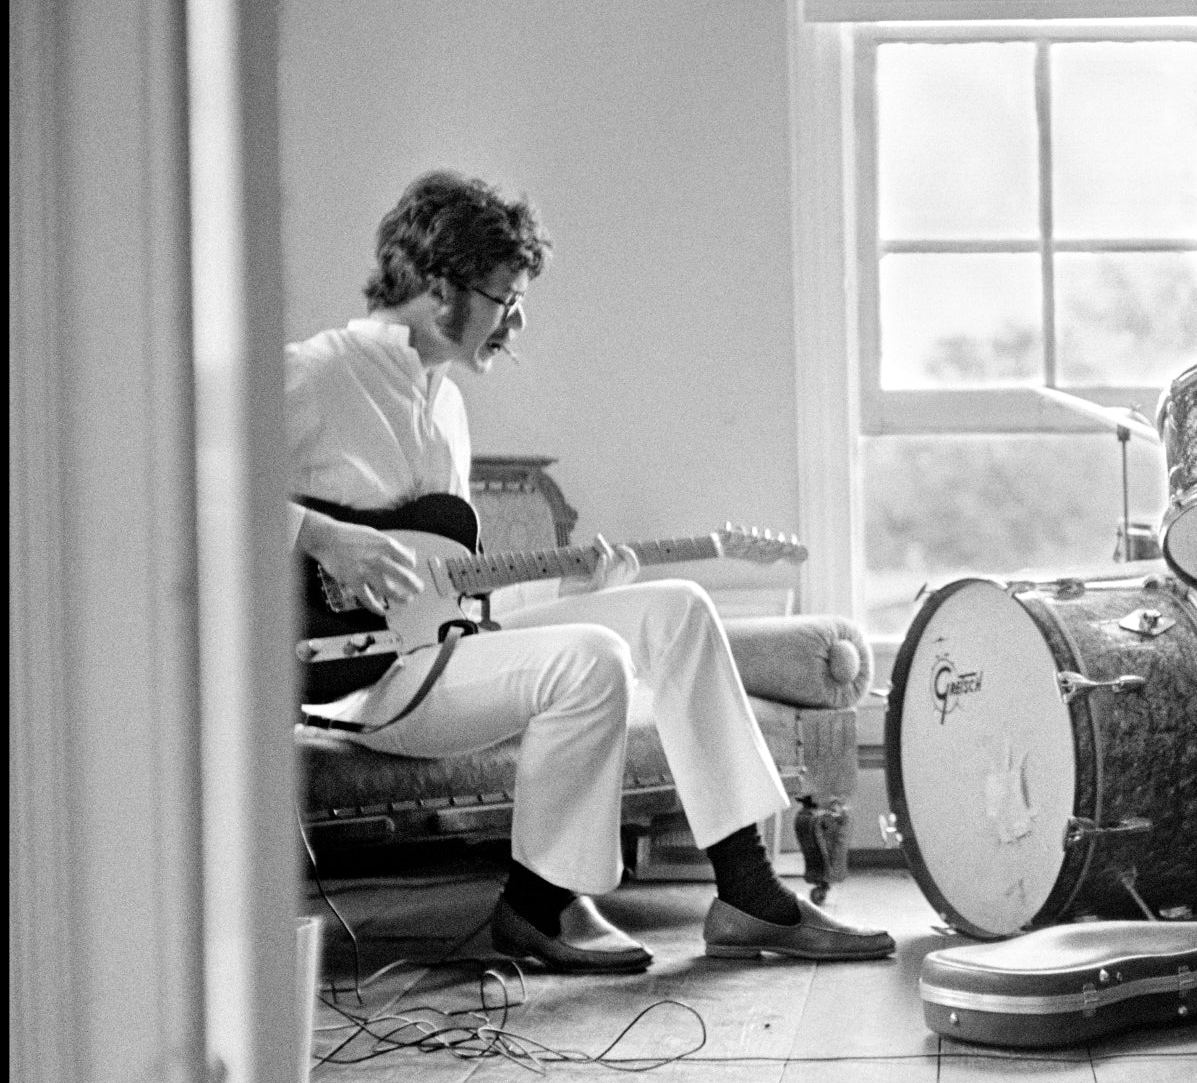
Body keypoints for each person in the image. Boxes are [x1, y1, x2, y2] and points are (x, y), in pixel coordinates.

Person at [289, 170, 893, 971]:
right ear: (439, 291)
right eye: (506, 298)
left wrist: (576, 592)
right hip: (367, 683)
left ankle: (748, 889)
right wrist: (323, 533)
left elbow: (446, 586)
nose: (517, 320)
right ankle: (538, 907)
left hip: (442, 650)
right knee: (593, 659)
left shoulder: (446, 403)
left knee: (673, 606)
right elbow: (177, 474)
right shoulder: (317, 374)